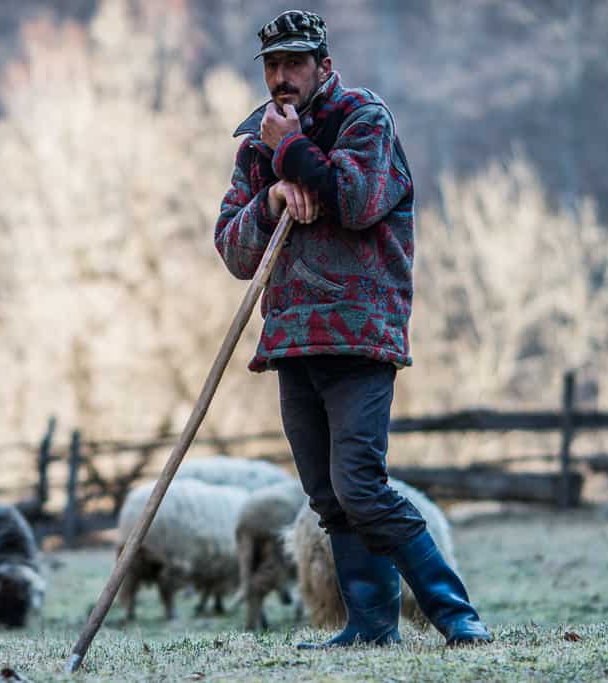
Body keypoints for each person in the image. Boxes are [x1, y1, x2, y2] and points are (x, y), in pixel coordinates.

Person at [214, 9, 491, 648]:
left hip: (359, 331)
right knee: (327, 497)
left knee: (361, 486)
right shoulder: (254, 147)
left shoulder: (364, 119)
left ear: (324, 66)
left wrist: (293, 152)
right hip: (289, 337)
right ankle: (370, 626)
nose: (282, 77)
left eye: (295, 63)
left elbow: (359, 200)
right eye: (272, 65)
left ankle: (456, 615)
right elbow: (233, 249)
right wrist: (272, 198)